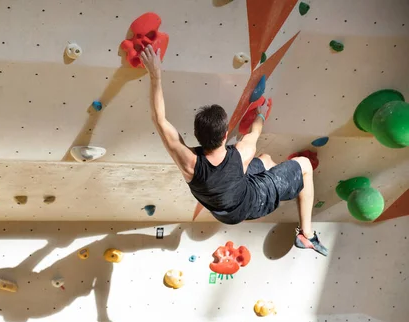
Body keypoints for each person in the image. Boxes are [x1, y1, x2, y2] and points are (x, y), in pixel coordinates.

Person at [139, 45, 328, 256]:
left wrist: (155, 76)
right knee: (304, 165)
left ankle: (284, 183)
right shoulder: (241, 154)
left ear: (196, 134)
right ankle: (307, 234)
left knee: (265, 160)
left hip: (223, 209)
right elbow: (256, 130)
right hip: (251, 203)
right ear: (225, 135)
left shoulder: (189, 163)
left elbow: (159, 119)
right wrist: (263, 113)